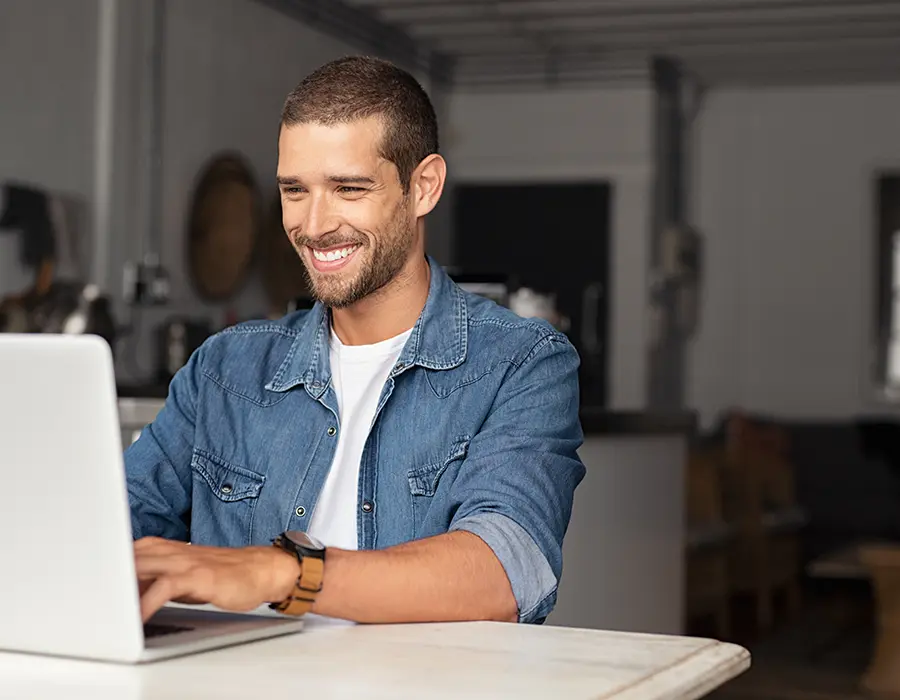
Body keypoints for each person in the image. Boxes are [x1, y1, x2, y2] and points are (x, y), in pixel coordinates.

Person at [126, 56, 585, 626]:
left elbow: (504, 572)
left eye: (348, 188)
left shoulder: (521, 363)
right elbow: (106, 531)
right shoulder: (223, 368)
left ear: (423, 187)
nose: (314, 224)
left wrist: (284, 573)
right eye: (294, 190)